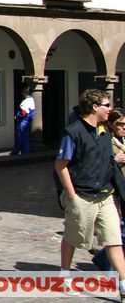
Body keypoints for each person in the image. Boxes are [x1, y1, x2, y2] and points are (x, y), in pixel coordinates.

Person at [55, 89, 125, 298]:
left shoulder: (104, 131)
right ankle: (64, 275)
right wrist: (72, 196)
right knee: (74, 237)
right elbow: (61, 165)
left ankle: (123, 283)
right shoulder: (73, 132)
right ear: (95, 107)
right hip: (82, 196)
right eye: (107, 105)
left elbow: (108, 161)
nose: (110, 109)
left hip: (104, 196)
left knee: (114, 239)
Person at [93, 108, 125, 271]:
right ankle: (109, 265)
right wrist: (115, 160)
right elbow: (99, 165)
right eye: (120, 124)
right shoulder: (106, 140)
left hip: (123, 188)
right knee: (120, 231)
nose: (124, 127)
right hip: (114, 190)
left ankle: (103, 259)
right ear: (112, 125)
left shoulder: (122, 140)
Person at [12, 88, 35, 155]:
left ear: (26, 93)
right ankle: (25, 151)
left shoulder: (26, 101)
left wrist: (17, 116)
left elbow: (24, 112)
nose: (22, 94)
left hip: (23, 120)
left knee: (20, 136)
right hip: (28, 120)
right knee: (25, 137)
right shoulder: (32, 100)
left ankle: (16, 151)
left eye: (23, 92)